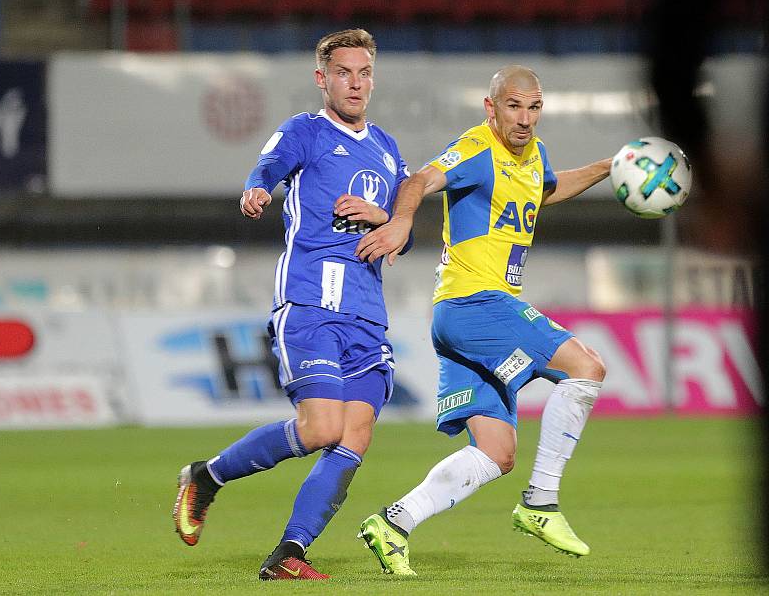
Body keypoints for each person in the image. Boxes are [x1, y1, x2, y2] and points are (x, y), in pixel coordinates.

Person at [172, 29, 411, 581]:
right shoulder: (306, 130)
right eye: (344, 72)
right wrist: (257, 189)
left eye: (365, 72)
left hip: (368, 316)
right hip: (312, 304)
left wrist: (390, 223)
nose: (356, 83)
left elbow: (403, 233)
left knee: (354, 437)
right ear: (321, 78)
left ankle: (290, 553)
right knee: (323, 427)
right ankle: (206, 477)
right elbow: (267, 169)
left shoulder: (387, 147)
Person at [354, 65, 612, 575]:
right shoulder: (476, 148)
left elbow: (548, 189)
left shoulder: (534, 157)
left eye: (534, 107)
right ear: (490, 108)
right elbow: (420, 180)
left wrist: (608, 167)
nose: (525, 118)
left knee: (496, 452)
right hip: (477, 304)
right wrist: (402, 220)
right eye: (514, 106)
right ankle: (540, 502)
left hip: (460, 320)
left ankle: (393, 523)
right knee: (588, 368)